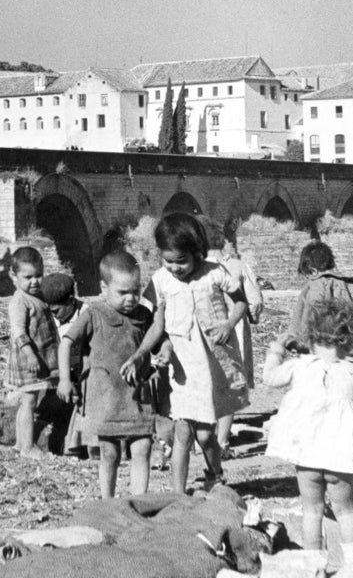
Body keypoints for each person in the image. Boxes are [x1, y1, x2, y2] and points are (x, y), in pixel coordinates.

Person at [122, 211, 248, 494]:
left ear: (198, 252)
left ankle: (215, 473)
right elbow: (156, 325)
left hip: (210, 365)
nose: (175, 268)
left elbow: (241, 302)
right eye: (168, 261)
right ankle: (178, 494)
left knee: (205, 434)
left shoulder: (214, 273)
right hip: (180, 368)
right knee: (182, 431)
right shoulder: (160, 281)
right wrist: (143, 352)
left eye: (182, 261)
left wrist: (229, 324)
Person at [263, 298, 353, 559]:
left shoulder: (299, 367)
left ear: (309, 338)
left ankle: (313, 564)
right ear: (348, 341)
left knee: (312, 510)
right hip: (340, 457)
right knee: (346, 511)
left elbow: (269, 377)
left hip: (308, 458)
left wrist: (277, 349)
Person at [57, 251, 155, 498]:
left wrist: (163, 351)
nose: (131, 298)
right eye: (123, 293)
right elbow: (66, 343)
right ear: (104, 287)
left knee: (143, 447)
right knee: (109, 452)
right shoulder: (94, 314)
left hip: (136, 396)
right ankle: (108, 501)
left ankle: (139, 501)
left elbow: (158, 339)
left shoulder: (143, 316)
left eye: (136, 290)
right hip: (107, 398)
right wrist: (65, 380)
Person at [206, 221, 265, 459]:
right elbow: (255, 301)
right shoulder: (238, 266)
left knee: (208, 381)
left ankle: (204, 436)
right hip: (234, 328)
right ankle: (222, 441)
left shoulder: (198, 268)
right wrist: (253, 317)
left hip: (206, 330)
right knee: (230, 383)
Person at [5, 246, 60, 459]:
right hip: (29, 360)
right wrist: (30, 354)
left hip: (38, 357)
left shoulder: (36, 296)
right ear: (14, 276)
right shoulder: (20, 300)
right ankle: (27, 446)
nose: (35, 281)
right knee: (28, 401)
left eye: (38, 276)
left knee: (30, 400)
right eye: (28, 277)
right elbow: (17, 331)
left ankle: (20, 443)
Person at [284, 242, 353, 361]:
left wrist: (299, 341)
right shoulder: (348, 286)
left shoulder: (316, 285)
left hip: (320, 347)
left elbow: (310, 314)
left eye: (306, 276)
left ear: (313, 271)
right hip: (345, 347)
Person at [41, 273, 90, 457]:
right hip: (54, 372)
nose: (55, 316)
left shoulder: (86, 314)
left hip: (79, 373)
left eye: (57, 311)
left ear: (71, 300)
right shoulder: (47, 317)